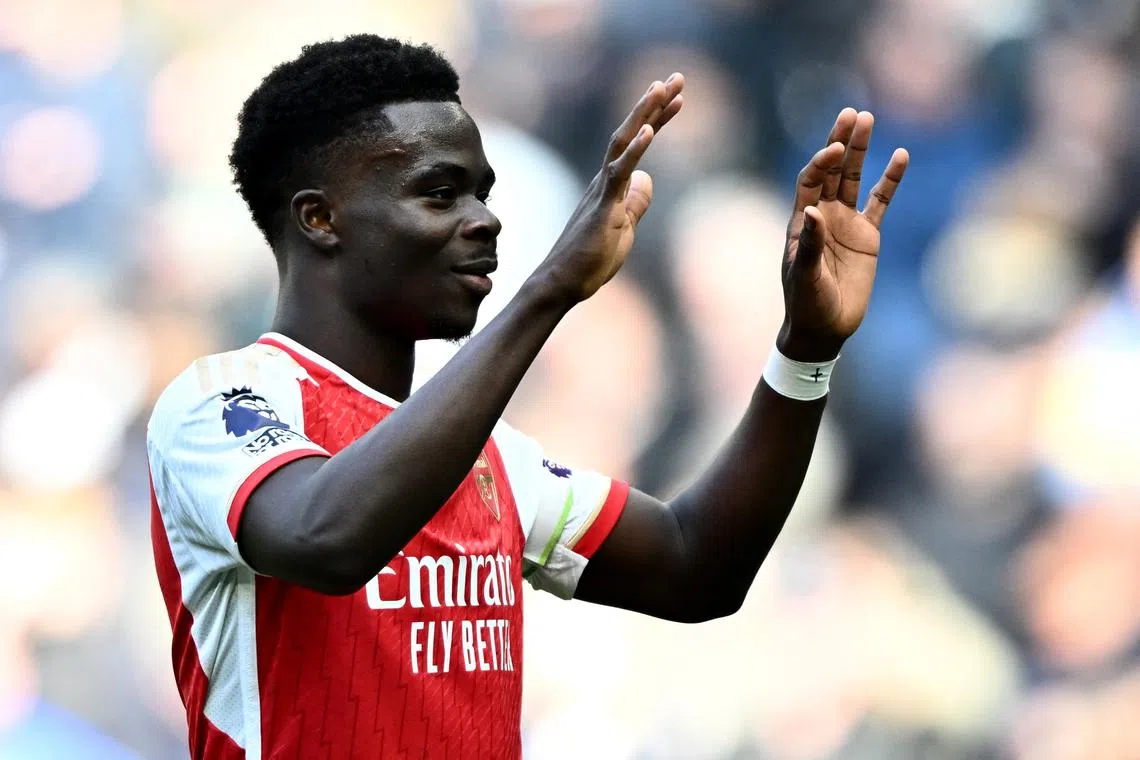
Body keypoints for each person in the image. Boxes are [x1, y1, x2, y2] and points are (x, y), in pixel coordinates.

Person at [146, 35, 908, 760]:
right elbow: (327, 539)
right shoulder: (220, 403)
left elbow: (695, 567)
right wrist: (548, 291)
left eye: (481, 194)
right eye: (439, 194)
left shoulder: (488, 458)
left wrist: (805, 349)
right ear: (321, 218)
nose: (485, 220)